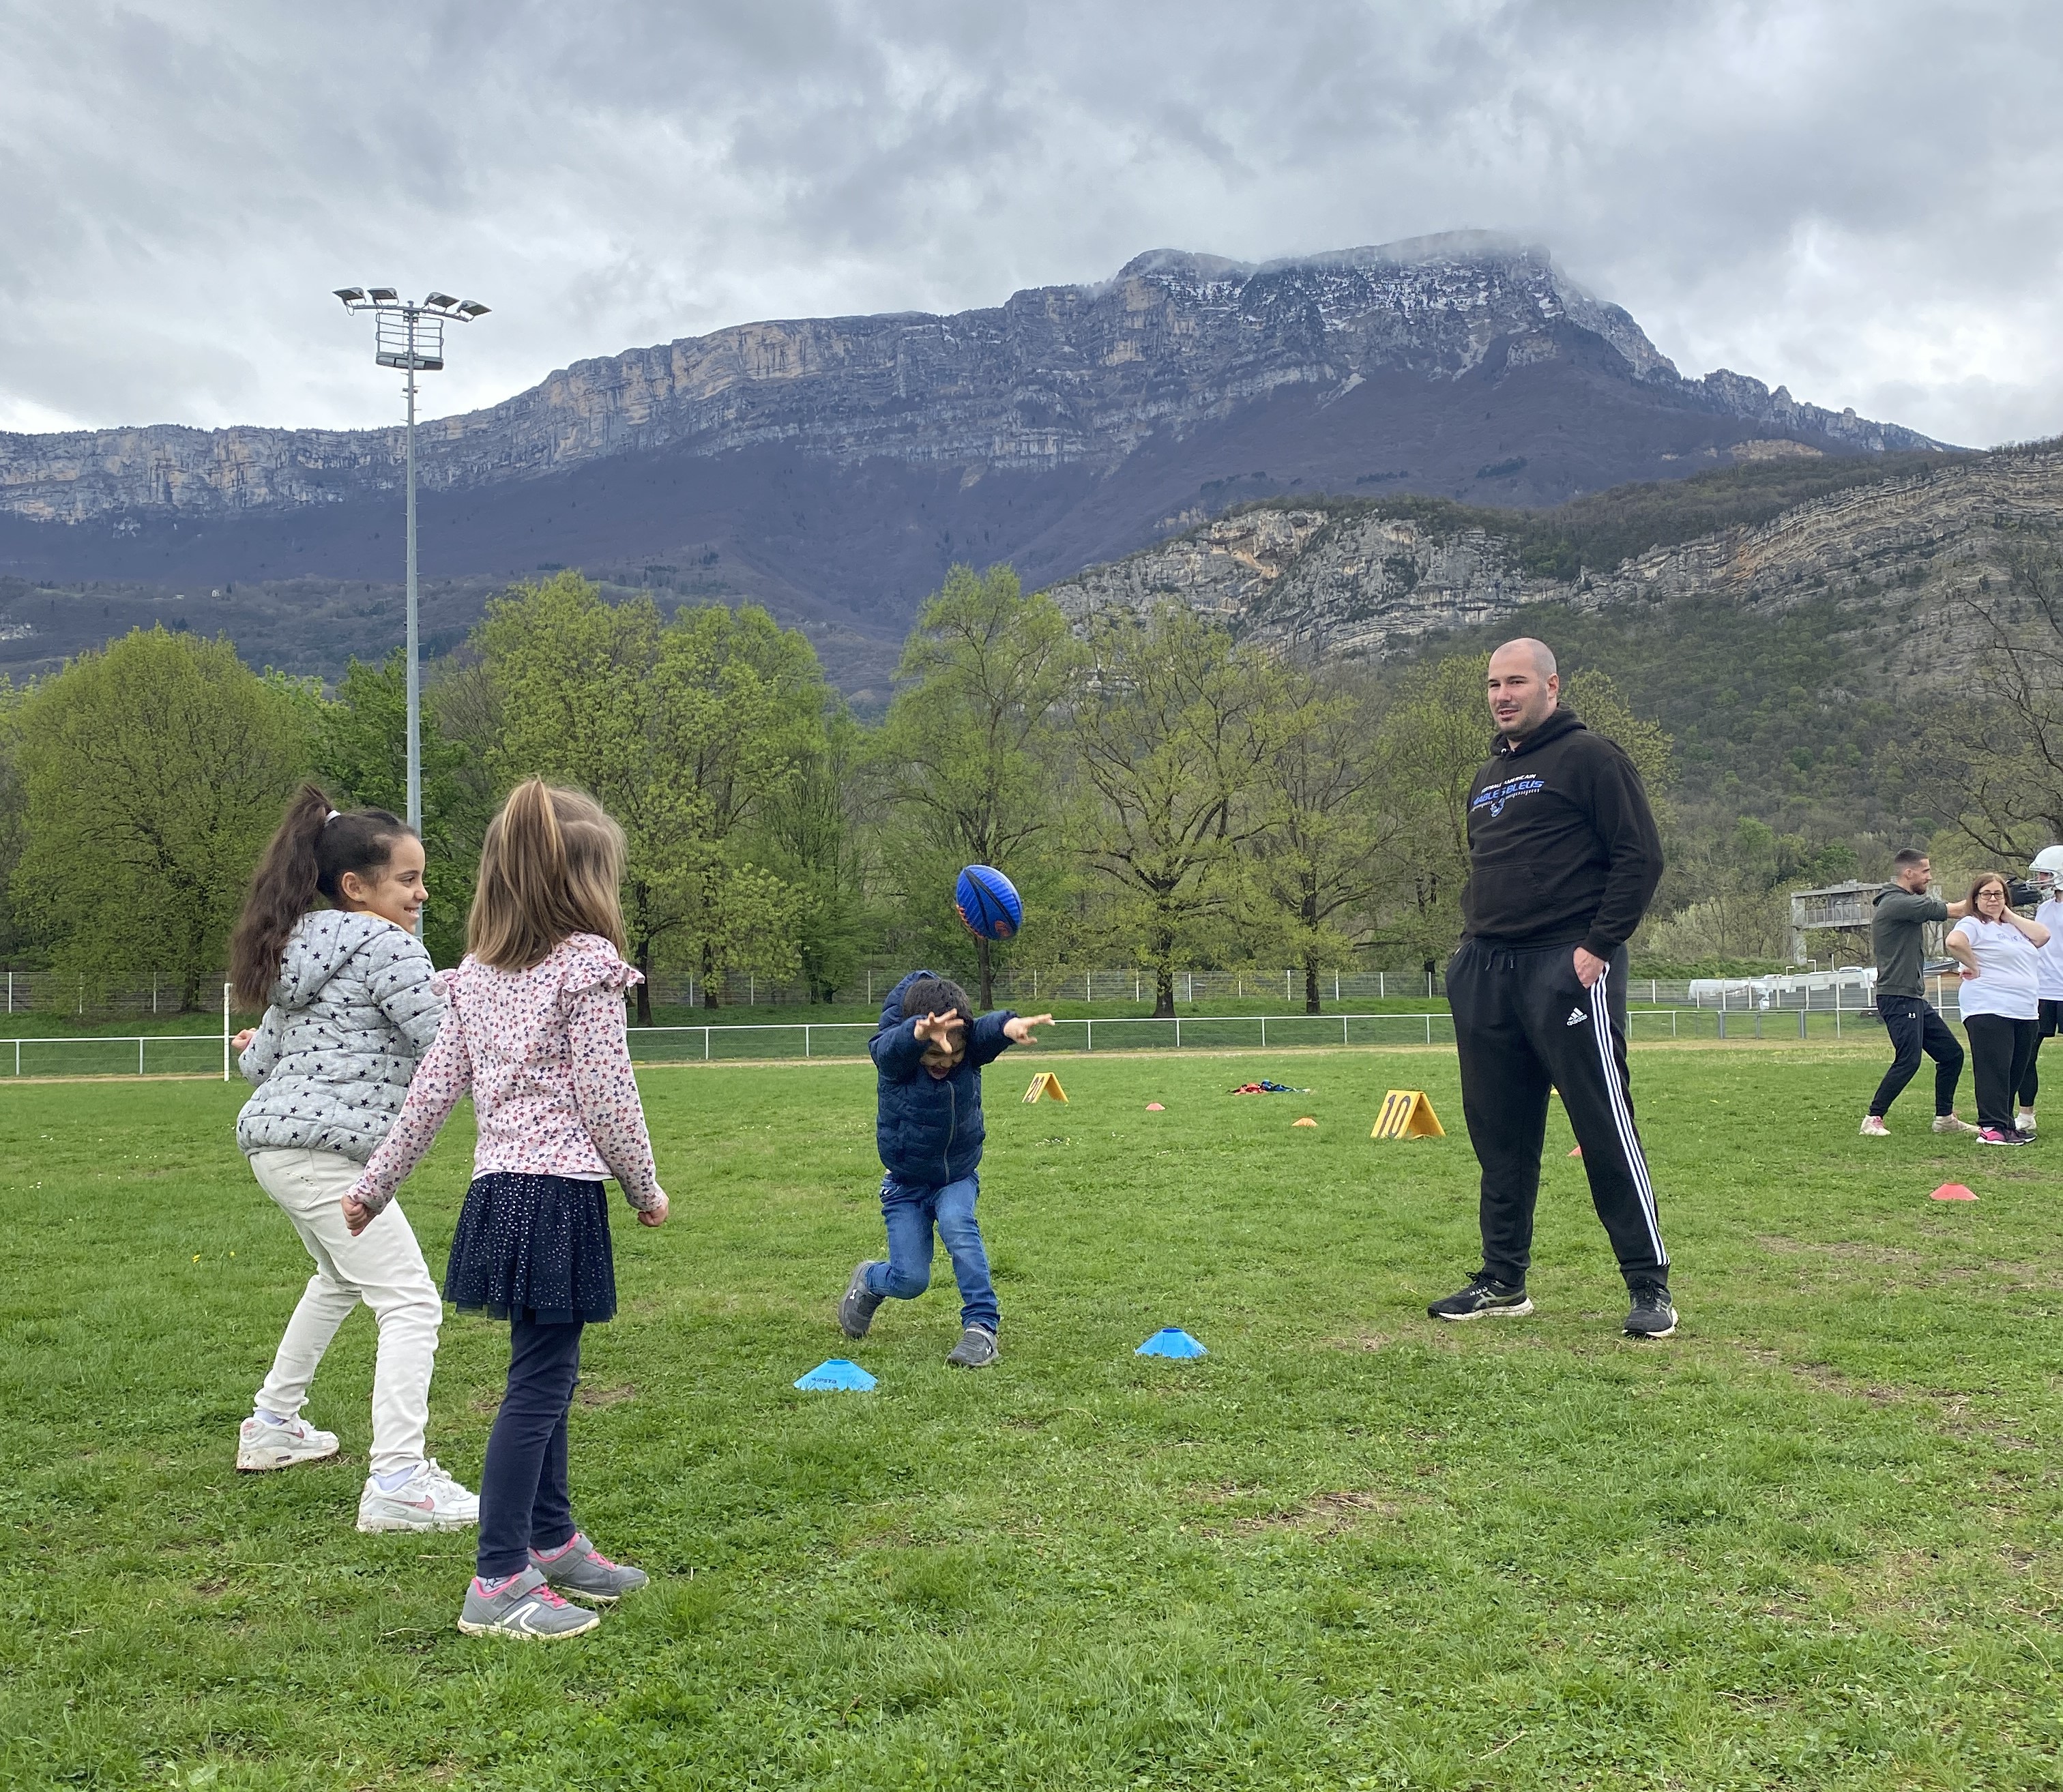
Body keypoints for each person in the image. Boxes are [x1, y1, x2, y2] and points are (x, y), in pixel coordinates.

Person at [347, 780, 669, 1642]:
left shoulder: (476, 979)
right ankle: (498, 1578)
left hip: (498, 1198)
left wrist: (374, 1183)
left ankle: (552, 1537)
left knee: (547, 1376)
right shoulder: (588, 972)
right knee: (540, 1386)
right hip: (558, 1200)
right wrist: (646, 1187)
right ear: (583, 882)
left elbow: (427, 1096)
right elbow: (610, 1100)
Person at [226, 784, 479, 1533]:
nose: (422, 893)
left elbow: (262, 1061)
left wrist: (250, 1048)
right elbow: (445, 1043)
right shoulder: (388, 944)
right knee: (410, 1301)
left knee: (338, 1278)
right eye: (408, 878)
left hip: (276, 1145)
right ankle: (398, 1481)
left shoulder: (294, 948)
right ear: (355, 886)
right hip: (325, 1156)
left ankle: (273, 1424)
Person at [1429, 638, 1677, 1339]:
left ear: (1551, 686)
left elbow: (1640, 856)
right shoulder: (1485, 777)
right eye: (1492, 684)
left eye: (1515, 682)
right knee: (1499, 1134)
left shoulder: (1592, 757)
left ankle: (1648, 1284)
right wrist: (1467, 957)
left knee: (1603, 1123)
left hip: (1565, 965)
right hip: (1487, 970)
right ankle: (1503, 1280)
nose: (1502, 695)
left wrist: (1598, 946)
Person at [837, 971, 1052, 1367]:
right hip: (905, 1184)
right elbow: (888, 1049)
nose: (946, 1062)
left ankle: (981, 1328)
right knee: (911, 1280)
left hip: (957, 1175)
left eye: (954, 1055)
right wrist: (917, 1035)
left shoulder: (966, 1050)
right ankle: (869, 1280)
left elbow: (984, 1031)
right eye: (935, 1055)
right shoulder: (897, 1062)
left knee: (959, 1228)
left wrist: (1008, 1025)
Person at [1861, 850, 1976, 1137]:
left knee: (1951, 1055)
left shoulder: (1903, 902)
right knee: (1909, 1060)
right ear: (1908, 873)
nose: (1930, 875)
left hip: (1912, 997)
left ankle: (1945, 1119)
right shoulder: (1897, 903)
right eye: (1925, 871)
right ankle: (1873, 1119)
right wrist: (1994, 896)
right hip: (1898, 997)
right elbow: (1956, 910)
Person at [1946, 872, 2051, 1145]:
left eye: (1999, 894)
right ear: (1975, 898)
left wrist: (2007, 914)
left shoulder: (2013, 928)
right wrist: (1974, 965)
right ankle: (1991, 1128)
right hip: (1989, 1007)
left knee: (2016, 1069)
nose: (1992, 899)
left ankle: (2006, 1125)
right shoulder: (1972, 924)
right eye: (1986, 894)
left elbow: (2043, 936)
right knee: (1995, 1069)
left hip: (2024, 1009)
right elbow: (1954, 942)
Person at [2013, 844, 2063, 1134]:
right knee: (2027, 1054)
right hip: (2042, 993)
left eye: (2045, 874)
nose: (2040, 880)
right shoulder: (2044, 909)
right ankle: (2026, 1114)